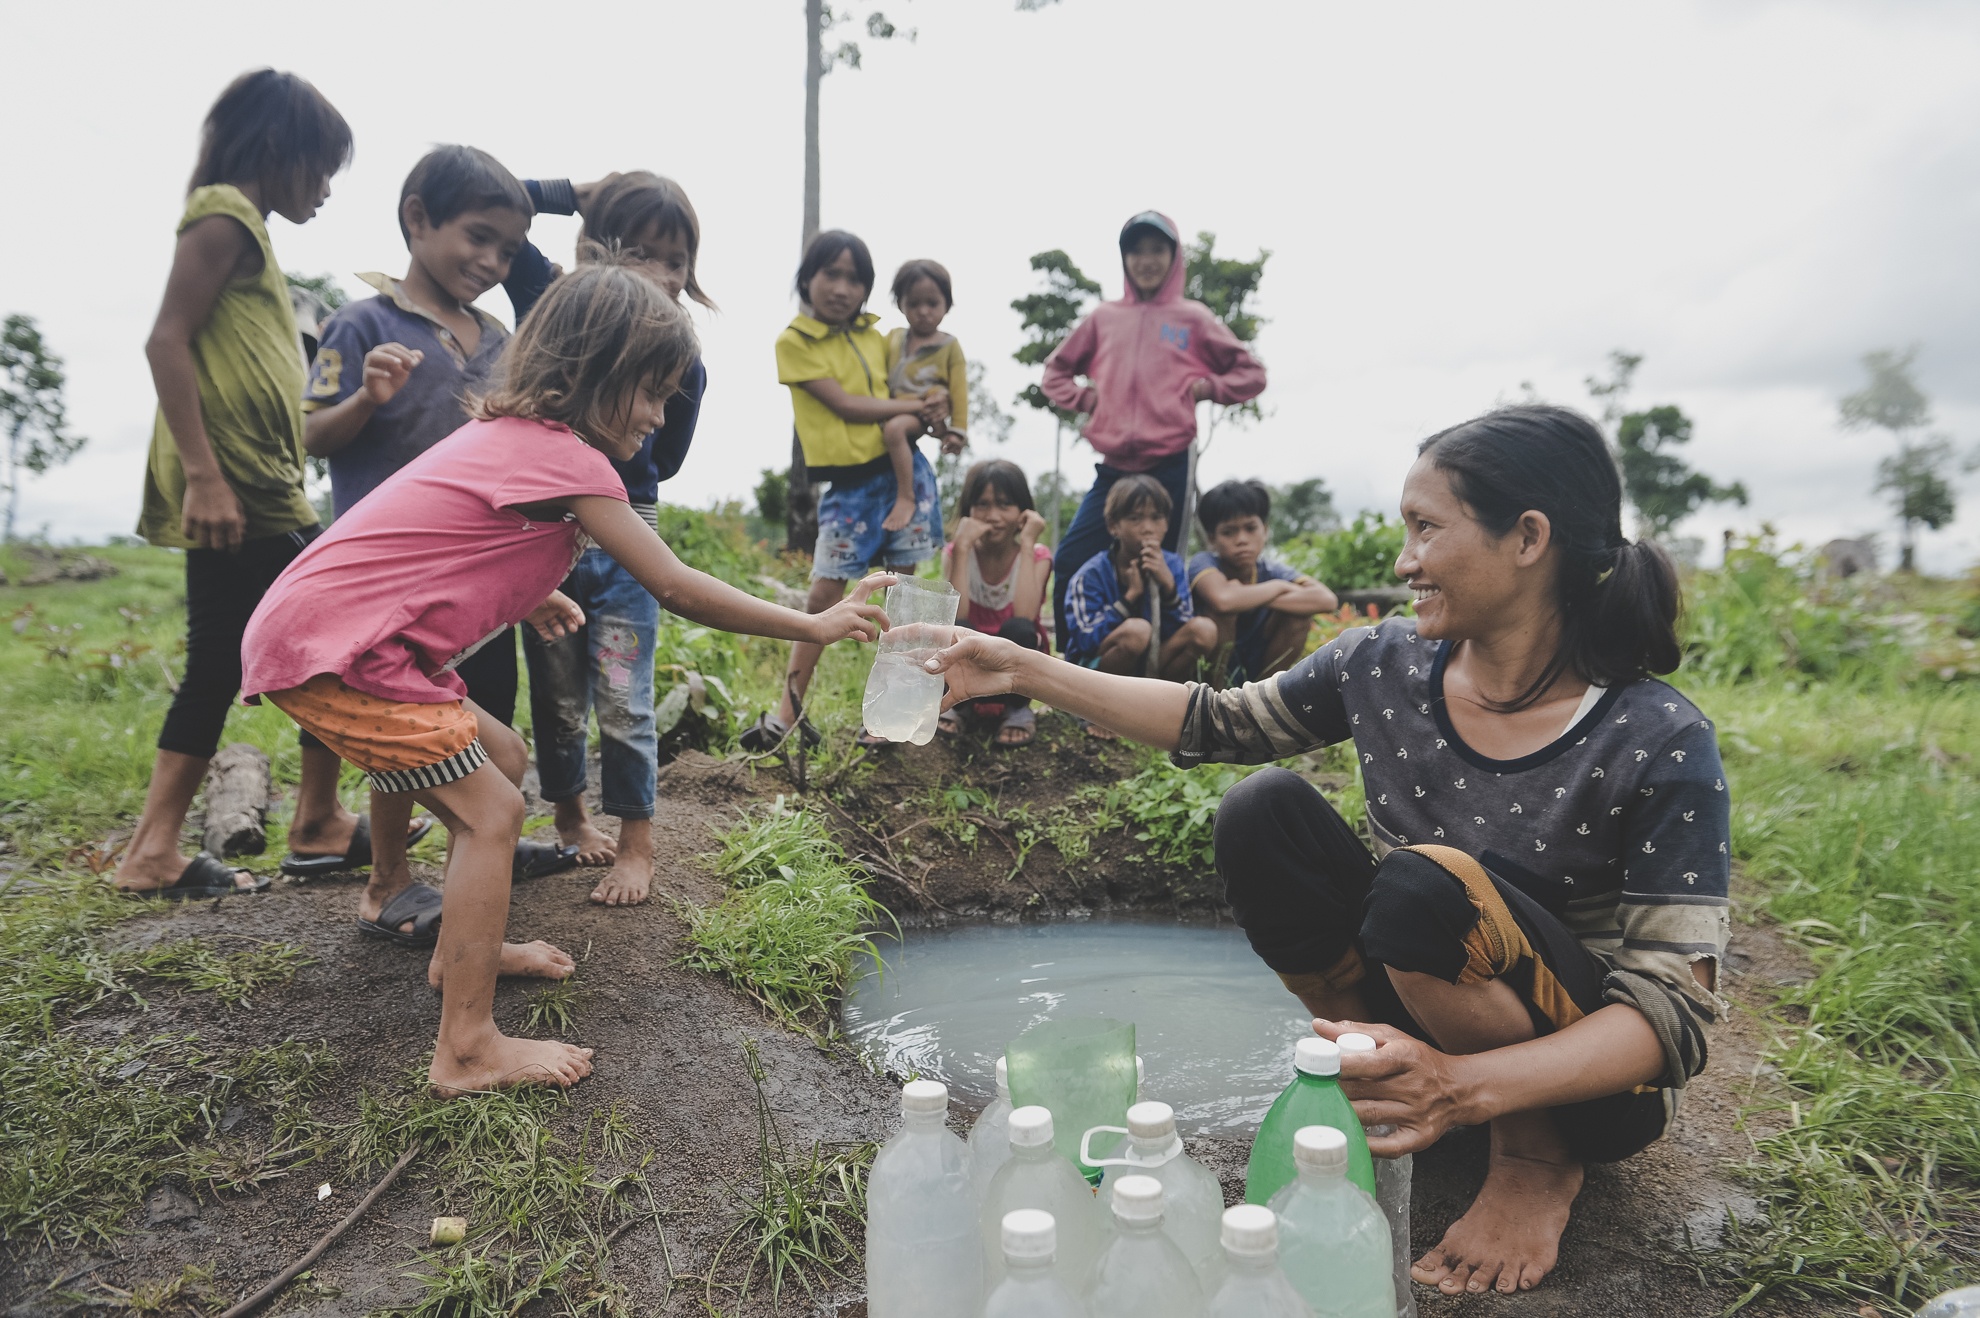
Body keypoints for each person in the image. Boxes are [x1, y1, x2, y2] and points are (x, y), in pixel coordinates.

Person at [927, 405, 1730, 1297]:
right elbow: (1213, 720)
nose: (1403, 562)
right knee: (1260, 811)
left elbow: (1674, 1015)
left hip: (1585, 1093)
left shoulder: (1655, 737)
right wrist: (1023, 667)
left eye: (1426, 529)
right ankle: (1387, 1076)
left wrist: (1468, 1087)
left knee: (1426, 888)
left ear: (1528, 538)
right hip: (1428, 1005)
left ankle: (1529, 1162)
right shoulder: (1381, 666)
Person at [240, 260, 892, 1095]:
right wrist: (812, 622)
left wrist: (532, 587)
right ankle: (466, 1047)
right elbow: (675, 583)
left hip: (335, 639)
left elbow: (445, 538)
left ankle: (459, 951)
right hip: (342, 653)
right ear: (591, 374)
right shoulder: (569, 461)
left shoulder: (512, 444)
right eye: (652, 392)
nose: (659, 417)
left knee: (500, 757)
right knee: (495, 810)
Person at [297, 145, 578, 907]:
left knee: (477, 723)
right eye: (477, 237)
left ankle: (470, 867)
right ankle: (389, 883)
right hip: (381, 586)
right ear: (417, 219)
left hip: (469, 587)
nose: (490, 261)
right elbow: (314, 436)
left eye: (508, 250)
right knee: (406, 737)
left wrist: (526, 584)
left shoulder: (498, 342)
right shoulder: (361, 324)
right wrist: (365, 401)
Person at [117, 69, 368, 899]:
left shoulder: (251, 236)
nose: (327, 188)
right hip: (239, 489)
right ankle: (318, 823)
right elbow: (166, 341)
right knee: (339, 630)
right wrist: (204, 476)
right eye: (322, 167)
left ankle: (156, 848)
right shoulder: (224, 215)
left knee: (220, 659)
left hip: (257, 483)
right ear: (278, 149)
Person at [507, 172, 714, 906]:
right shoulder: (553, 306)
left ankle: (637, 843)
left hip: (629, 539)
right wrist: (569, 189)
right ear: (593, 250)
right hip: (543, 539)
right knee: (557, 691)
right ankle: (570, 819)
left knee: (626, 695)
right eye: (639, 253)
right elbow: (491, 201)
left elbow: (668, 458)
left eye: (676, 260)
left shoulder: (683, 360)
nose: (661, 274)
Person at [740, 230, 951, 752]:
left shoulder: (878, 337)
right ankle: (787, 711)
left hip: (900, 473)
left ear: (867, 288)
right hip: (848, 488)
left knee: (907, 598)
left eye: (854, 278)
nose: (841, 287)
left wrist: (937, 405)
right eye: (830, 274)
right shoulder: (794, 342)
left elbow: (913, 382)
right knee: (823, 592)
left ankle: (899, 714)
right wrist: (914, 408)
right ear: (806, 278)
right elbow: (847, 405)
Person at [1040, 210, 1266, 647]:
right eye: (1136, 250)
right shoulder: (1104, 318)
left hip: (1169, 461)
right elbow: (1055, 373)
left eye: (1157, 250)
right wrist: (1088, 399)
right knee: (1070, 558)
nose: (1146, 260)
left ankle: (1157, 680)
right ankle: (1072, 669)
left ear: (1173, 257)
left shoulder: (1192, 318)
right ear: (1124, 259)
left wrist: (1204, 388)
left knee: (1164, 564)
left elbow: (1251, 373)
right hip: (1115, 467)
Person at [1062, 476, 1218, 711]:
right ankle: (1103, 709)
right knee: (1137, 631)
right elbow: (1085, 640)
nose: (1147, 528)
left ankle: (1161, 705)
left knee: (1204, 630)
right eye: (1135, 518)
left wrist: (1168, 588)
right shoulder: (1091, 574)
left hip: (1153, 665)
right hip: (1096, 676)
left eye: (1156, 518)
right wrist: (1130, 596)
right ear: (1113, 526)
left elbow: (1184, 623)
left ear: (1166, 524)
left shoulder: (1173, 566)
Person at [938, 459, 1050, 747]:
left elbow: (1026, 615)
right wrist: (962, 549)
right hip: (967, 663)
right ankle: (959, 707)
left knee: (1021, 629)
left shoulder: (1036, 556)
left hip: (1014, 665)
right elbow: (956, 614)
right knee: (958, 628)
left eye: (1004, 505)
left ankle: (1016, 709)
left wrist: (1026, 544)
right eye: (983, 505)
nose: (993, 516)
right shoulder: (956, 553)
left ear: (1023, 512)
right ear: (969, 511)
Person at [1187, 479, 1337, 686]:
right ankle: (1216, 699)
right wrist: (1278, 588)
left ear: (1265, 530)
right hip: (1212, 669)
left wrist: (1251, 594)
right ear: (1212, 539)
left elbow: (1326, 600)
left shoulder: (1271, 570)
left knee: (1299, 617)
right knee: (1222, 614)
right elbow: (1223, 600)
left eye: (1250, 528)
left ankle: (1262, 695)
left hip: (1259, 660)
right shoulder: (1204, 563)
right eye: (1229, 532)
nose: (1241, 539)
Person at [880, 259, 969, 532]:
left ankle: (906, 497)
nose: (923, 312)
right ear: (901, 304)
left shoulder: (948, 346)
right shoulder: (893, 339)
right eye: (914, 304)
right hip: (889, 406)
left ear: (946, 304)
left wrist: (958, 431)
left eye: (932, 304)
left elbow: (959, 390)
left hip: (921, 413)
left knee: (895, 430)